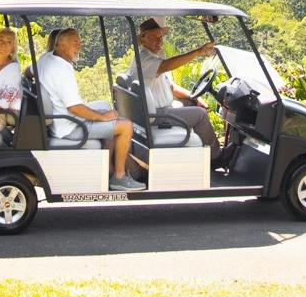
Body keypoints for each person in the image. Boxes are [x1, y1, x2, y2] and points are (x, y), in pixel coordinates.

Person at [35, 26, 142, 190]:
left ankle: (108, 169)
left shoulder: (46, 58)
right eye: (75, 42)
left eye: (80, 41)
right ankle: (119, 177)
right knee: (126, 126)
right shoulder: (61, 69)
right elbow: (75, 108)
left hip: (62, 121)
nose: (80, 45)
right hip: (71, 127)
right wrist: (103, 117)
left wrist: (104, 114)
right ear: (61, 45)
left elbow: (29, 72)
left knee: (108, 109)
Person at [130, 17, 224, 164]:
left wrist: (194, 98)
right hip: (156, 115)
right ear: (143, 38)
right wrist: (199, 52)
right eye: (155, 37)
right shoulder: (145, 60)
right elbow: (167, 66)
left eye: (161, 37)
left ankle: (200, 154)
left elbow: (171, 87)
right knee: (200, 115)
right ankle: (217, 157)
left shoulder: (153, 57)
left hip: (158, 110)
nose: (160, 41)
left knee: (190, 103)